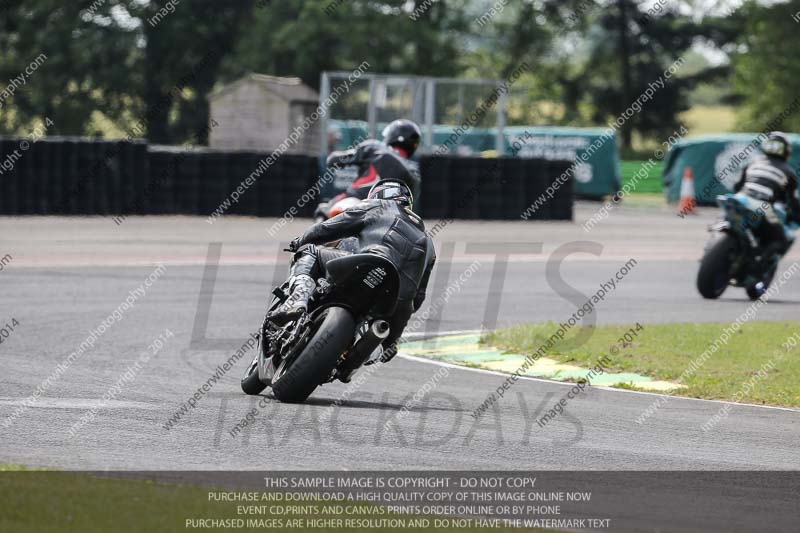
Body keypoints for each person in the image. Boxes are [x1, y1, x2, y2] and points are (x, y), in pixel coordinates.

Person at [271, 179, 436, 364]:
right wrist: (393, 336)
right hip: (398, 302)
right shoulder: (429, 243)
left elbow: (329, 227)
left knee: (311, 252)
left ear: (380, 194)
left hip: (368, 265)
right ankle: (371, 351)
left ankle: (299, 298)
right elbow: (419, 296)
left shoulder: (377, 205)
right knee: (386, 343)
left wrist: (301, 240)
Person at [733, 131, 800, 262]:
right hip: (762, 207)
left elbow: (737, 186)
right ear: (786, 151)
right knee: (781, 240)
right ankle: (756, 267)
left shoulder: (752, 163)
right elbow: (792, 201)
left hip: (740, 199)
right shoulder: (789, 172)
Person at [326, 119, 422, 201]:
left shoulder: (374, 147)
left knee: (323, 210)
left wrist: (334, 159)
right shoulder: (414, 173)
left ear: (392, 134)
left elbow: (334, 160)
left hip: (354, 202)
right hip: (392, 215)